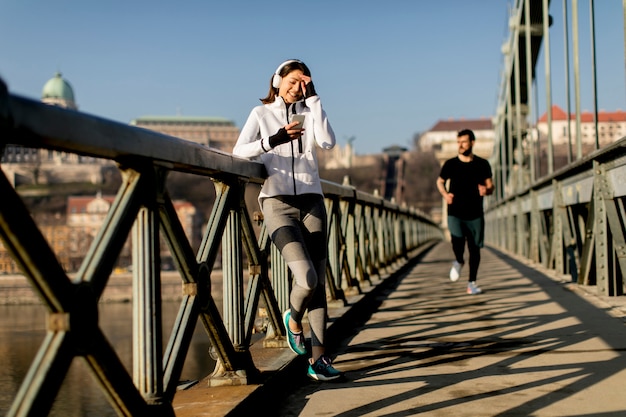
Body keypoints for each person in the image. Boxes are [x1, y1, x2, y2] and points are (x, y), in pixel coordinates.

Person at [233, 59, 341, 381]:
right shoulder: (260, 114)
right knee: (306, 277)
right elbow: (239, 151)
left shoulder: (309, 112)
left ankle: (319, 360)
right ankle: (293, 319)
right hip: (277, 203)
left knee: (319, 283)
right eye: (293, 82)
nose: (297, 88)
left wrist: (315, 100)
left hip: (312, 202)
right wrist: (274, 140)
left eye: (303, 83)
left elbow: (328, 142)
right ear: (277, 80)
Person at [436, 129, 494, 295]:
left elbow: (491, 186)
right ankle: (459, 260)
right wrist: (445, 195)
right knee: (457, 241)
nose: (460, 145)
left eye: (464, 142)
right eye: (458, 142)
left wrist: (487, 190)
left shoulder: (482, 164)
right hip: (455, 212)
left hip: (475, 213)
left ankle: (471, 283)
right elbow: (439, 182)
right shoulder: (451, 164)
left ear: (472, 143)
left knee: (475, 249)